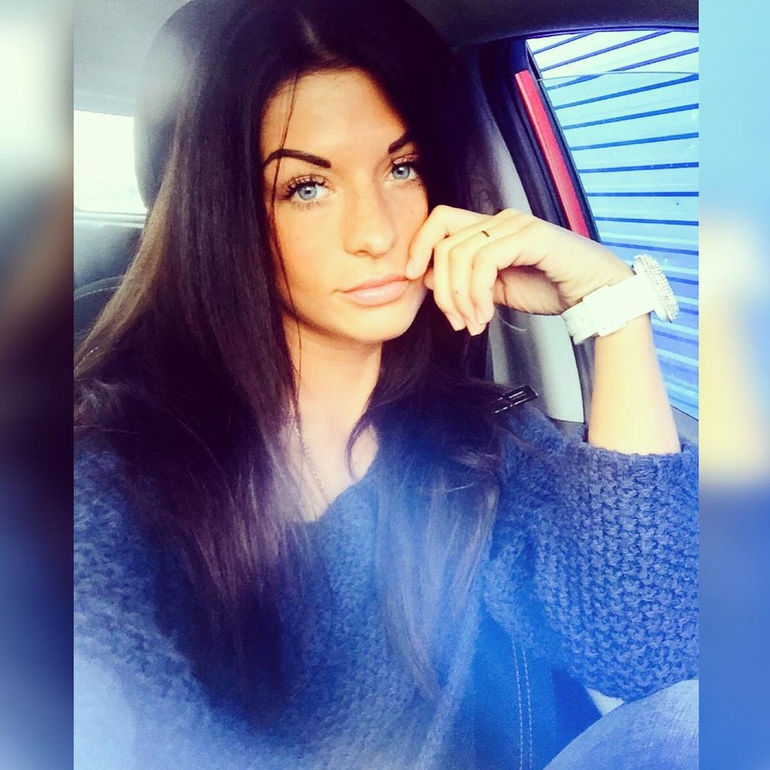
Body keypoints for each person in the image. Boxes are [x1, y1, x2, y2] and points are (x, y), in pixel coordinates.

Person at [74, 0, 698, 767]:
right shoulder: (108, 479)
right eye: (306, 187)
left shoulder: (473, 440)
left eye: (401, 168)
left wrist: (613, 307)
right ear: (219, 214)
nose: (376, 231)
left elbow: (656, 653)